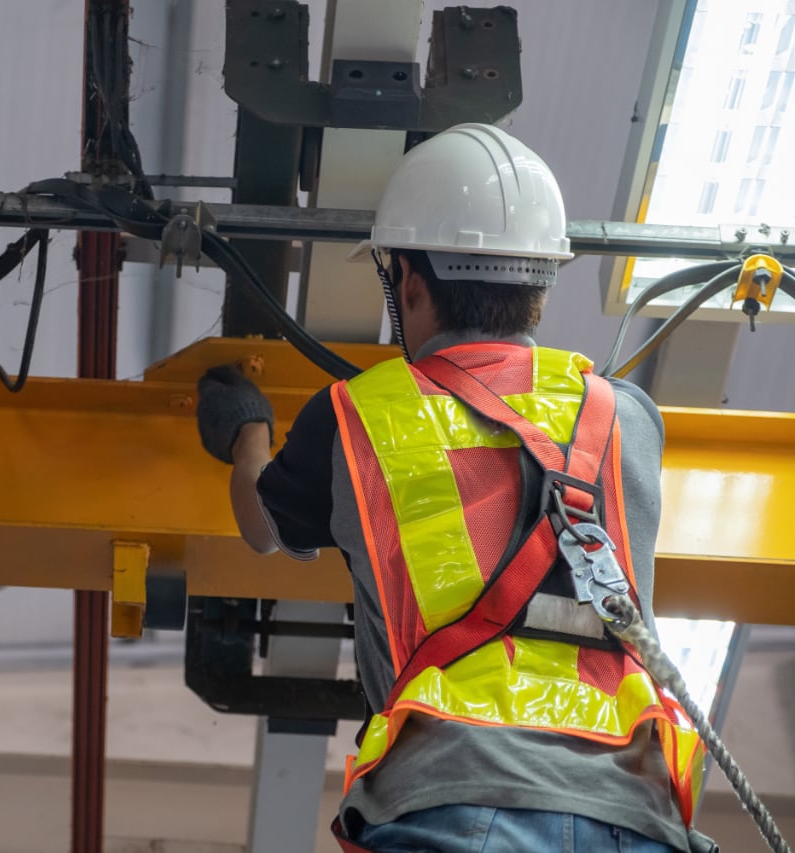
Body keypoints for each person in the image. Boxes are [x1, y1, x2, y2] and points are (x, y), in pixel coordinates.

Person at [195, 124, 713, 853]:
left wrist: (246, 431)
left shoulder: (359, 415)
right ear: (540, 281)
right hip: (635, 812)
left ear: (408, 281)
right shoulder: (626, 416)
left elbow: (262, 523)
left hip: (451, 801)